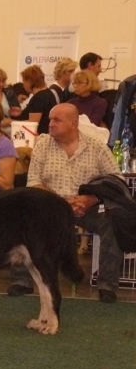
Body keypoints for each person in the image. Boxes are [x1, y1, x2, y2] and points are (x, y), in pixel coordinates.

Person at [7, 103, 124, 303]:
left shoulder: (96, 147)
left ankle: (107, 285)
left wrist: (91, 199)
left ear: (73, 123)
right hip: (49, 206)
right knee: (21, 218)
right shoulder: (43, 143)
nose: (50, 124)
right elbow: (34, 182)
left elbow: (116, 180)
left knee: (114, 222)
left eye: (56, 120)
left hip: (86, 207)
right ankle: (21, 280)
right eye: (50, 119)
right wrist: (59, 203)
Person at [15, 65, 57, 135]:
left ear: (29, 81)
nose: (23, 85)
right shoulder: (48, 94)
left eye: (24, 81)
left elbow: (33, 123)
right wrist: (21, 112)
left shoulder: (39, 98)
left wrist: (11, 122)